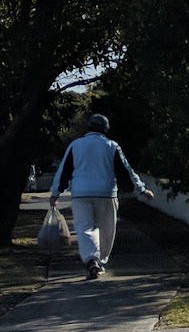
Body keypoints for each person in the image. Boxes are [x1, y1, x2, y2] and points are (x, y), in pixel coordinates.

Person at [52, 115, 153, 280]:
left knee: (85, 229)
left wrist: (55, 193)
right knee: (107, 230)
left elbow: (64, 171)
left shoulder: (75, 145)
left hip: (81, 194)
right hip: (106, 194)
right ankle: (99, 261)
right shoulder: (111, 146)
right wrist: (141, 188)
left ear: (88, 127)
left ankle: (91, 260)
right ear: (106, 129)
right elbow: (126, 170)